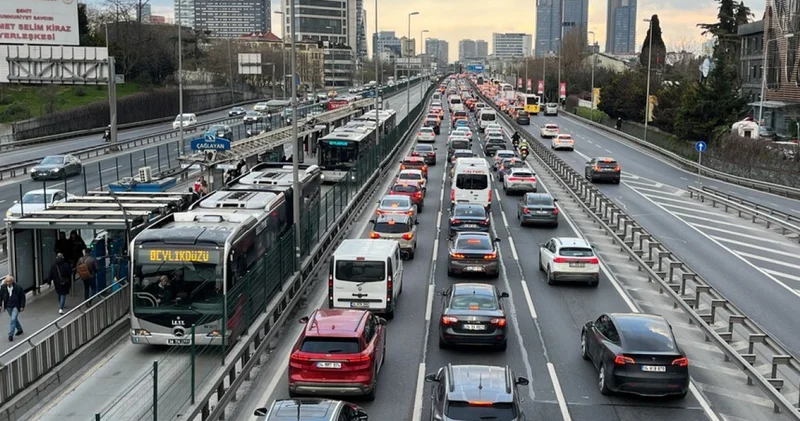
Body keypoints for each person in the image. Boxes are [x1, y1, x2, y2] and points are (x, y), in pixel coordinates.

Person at [0, 275, 24, 341]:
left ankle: (11, 334)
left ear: (12, 281)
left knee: (13, 319)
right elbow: (0, 296)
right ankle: (19, 329)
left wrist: (22, 306)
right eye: (7, 281)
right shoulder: (3, 287)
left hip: (16, 305)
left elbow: (22, 297)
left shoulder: (18, 287)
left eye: (9, 281)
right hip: (8, 306)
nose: (8, 283)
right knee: (14, 318)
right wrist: (0, 305)